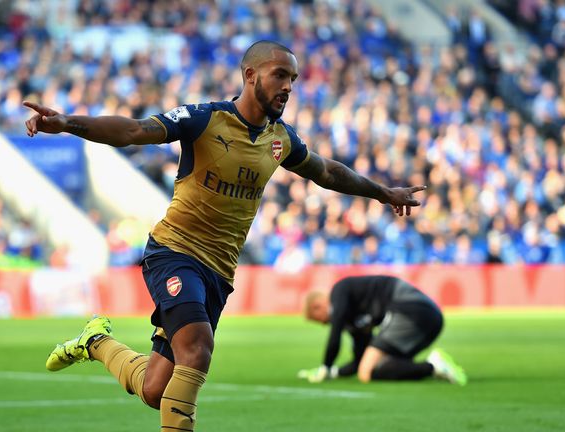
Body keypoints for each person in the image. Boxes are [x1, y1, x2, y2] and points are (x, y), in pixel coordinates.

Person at [24, 40, 427, 431]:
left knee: (154, 390)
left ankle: (95, 341)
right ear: (250, 75)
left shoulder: (281, 139)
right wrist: (66, 123)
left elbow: (327, 172)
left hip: (218, 273)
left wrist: (382, 192)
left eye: (294, 78)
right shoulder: (204, 119)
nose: (289, 86)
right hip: (174, 252)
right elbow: (132, 131)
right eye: (280, 75)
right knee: (197, 350)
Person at [299, 275, 467, 385]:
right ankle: (434, 367)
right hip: (428, 320)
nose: (324, 324)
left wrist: (325, 366)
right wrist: (334, 372)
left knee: (367, 371)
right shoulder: (354, 320)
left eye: (319, 320)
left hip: (410, 308)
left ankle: (433, 366)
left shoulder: (339, 291)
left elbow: (335, 335)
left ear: (318, 306)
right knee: (376, 367)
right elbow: (359, 360)